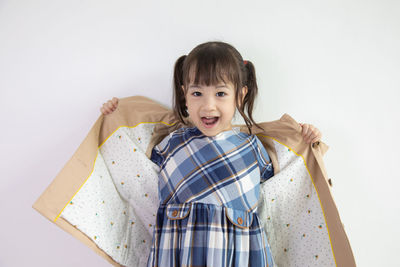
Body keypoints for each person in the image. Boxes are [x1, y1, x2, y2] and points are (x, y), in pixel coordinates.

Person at [100, 41, 322, 267]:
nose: (208, 105)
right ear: (184, 94)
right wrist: (117, 113)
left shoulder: (252, 148)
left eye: (220, 93)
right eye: (197, 93)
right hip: (179, 256)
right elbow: (130, 146)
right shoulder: (171, 142)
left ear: (240, 95)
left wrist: (305, 138)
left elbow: (287, 172)